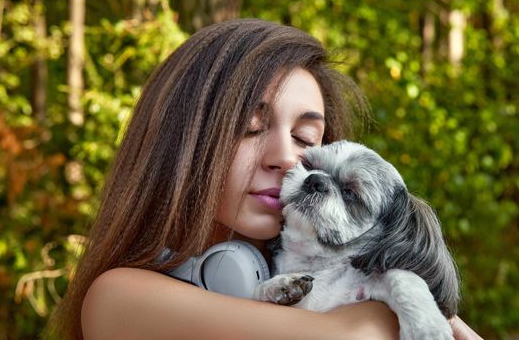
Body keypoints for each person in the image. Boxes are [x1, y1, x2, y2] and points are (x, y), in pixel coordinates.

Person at [46, 18, 481, 340]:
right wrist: (408, 299)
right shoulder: (118, 299)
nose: (286, 158)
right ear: (181, 143)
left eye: (305, 138)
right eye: (250, 128)